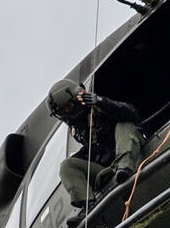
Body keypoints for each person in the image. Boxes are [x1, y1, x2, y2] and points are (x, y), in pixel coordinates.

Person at [47, 79, 143, 210]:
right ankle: (87, 204)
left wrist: (101, 102)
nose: (67, 113)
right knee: (67, 165)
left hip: (134, 154)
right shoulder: (78, 130)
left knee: (123, 126)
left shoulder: (99, 109)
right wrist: (78, 157)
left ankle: (124, 167)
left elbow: (131, 114)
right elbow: (93, 149)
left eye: (68, 107)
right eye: (62, 112)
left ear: (77, 98)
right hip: (111, 169)